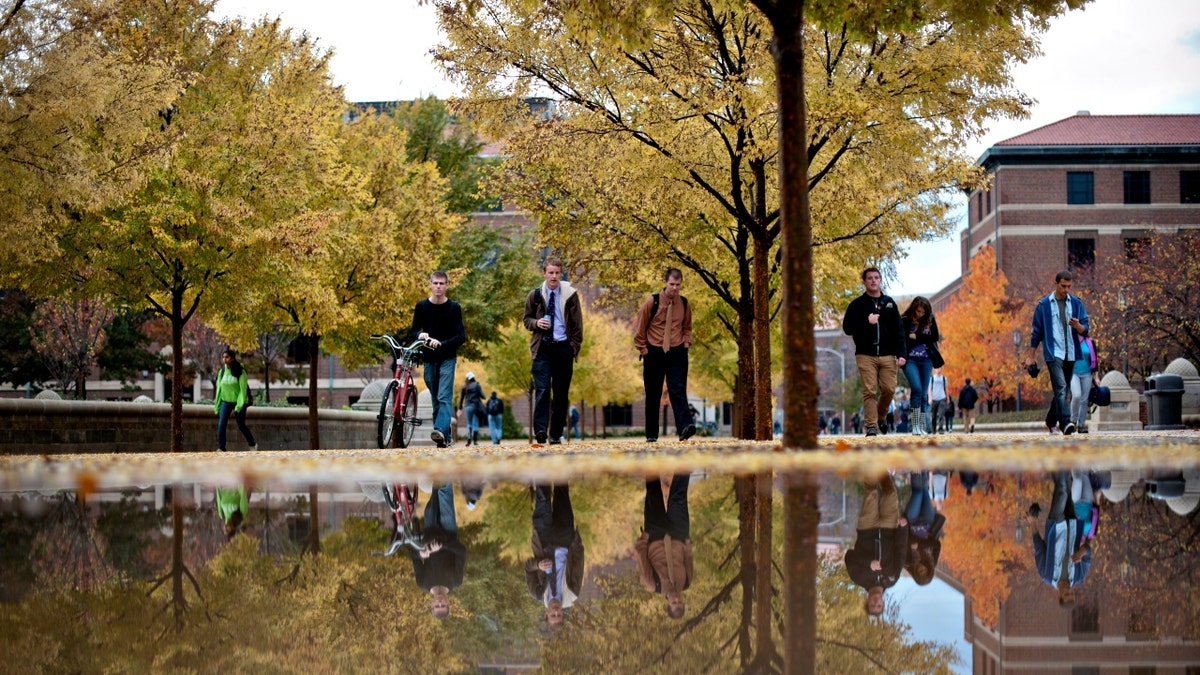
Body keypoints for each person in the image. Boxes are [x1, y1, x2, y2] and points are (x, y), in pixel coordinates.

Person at [523, 258, 584, 446]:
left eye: (557, 272)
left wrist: (572, 348)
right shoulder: (534, 295)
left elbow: (577, 326)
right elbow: (527, 320)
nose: (554, 276)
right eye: (550, 272)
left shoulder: (570, 296)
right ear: (544, 273)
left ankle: (556, 434)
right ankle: (541, 431)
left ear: (561, 273)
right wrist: (536, 323)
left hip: (563, 348)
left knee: (560, 394)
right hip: (542, 349)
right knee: (542, 390)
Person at [841, 267, 907, 436]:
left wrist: (902, 354)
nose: (873, 280)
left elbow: (899, 331)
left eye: (876, 277)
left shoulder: (890, 304)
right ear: (864, 282)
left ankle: (881, 416)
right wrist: (866, 321)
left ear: (880, 280)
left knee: (889, 389)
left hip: (888, 354)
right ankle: (871, 426)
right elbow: (847, 328)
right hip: (865, 354)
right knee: (869, 390)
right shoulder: (857, 305)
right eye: (869, 278)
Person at [633, 268, 696, 442]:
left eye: (678, 285)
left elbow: (687, 326)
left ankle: (685, 427)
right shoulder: (651, 302)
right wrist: (644, 350)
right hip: (654, 351)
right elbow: (640, 328)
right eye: (672, 284)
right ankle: (652, 435)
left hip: (677, 352)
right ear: (665, 282)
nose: (675, 288)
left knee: (678, 390)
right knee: (653, 394)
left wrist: (686, 343)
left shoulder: (684, 303)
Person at [1025, 270, 1090, 435]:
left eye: (1069, 286)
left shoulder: (1076, 303)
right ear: (1055, 283)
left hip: (1071, 352)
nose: (1066, 289)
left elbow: (1085, 330)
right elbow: (1036, 333)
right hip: (1053, 353)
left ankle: (1050, 420)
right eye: (1063, 286)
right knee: (1061, 386)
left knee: (1064, 389)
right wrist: (1030, 357)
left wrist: (1077, 326)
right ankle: (1066, 423)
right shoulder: (1044, 305)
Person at [408, 271, 466, 448]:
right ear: (430, 285)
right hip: (429, 359)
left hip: (447, 357)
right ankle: (444, 437)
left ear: (447, 285)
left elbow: (461, 336)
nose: (439, 286)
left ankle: (439, 429)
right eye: (436, 283)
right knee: (435, 399)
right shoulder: (422, 307)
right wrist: (420, 335)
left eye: (442, 283)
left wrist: (442, 344)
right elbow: (411, 333)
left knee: (443, 395)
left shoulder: (454, 308)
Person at [844, 472, 907, 615]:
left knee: (871, 493)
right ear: (883, 603)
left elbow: (849, 556)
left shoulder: (858, 578)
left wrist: (868, 563)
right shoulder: (892, 578)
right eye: (879, 606)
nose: (876, 603)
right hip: (889, 528)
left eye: (872, 606)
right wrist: (903, 529)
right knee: (890, 494)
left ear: (867, 602)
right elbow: (900, 551)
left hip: (867, 528)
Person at [633, 474, 693, 619]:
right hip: (678, 534)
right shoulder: (687, 582)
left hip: (655, 534)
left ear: (668, 604)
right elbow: (688, 559)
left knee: (653, 492)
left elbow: (642, 559)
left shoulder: (653, 585)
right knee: (678, 497)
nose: (677, 599)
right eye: (680, 602)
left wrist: (645, 538)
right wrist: (687, 541)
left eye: (674, 603)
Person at [525, 483, 584, 627]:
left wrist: (538, 564)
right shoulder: (573, 593)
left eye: (553, 615)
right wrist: (575, 542)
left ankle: (542, 463)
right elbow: (578, 561)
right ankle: (559, 462)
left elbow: (528, 568)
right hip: (565, 538)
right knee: (562, 490)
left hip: (543, 540)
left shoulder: (537, 593)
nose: (556, 611)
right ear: (563, 615)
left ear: (546, 614)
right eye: (558, 615)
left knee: (543, 499)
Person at [1028, 471, 1092, 606]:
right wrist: (1082, 552)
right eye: (1072, 593)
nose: (1069, 590)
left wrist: (1032, 523)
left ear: (1059, 596)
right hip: (1072, 525)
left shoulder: (1047, 575)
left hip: (1056, 527)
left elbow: (1039, 549)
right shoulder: (1079, 576)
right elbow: (1088, 551)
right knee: (1066, 490)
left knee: (1062, 492)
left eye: (1066, 594)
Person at [410, 482, 467, 619]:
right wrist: (442, 545)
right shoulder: (456, 581)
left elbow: (413, 555)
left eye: (437, 606)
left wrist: (421, 553)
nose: (440, 603)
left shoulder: (422, 583)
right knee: (445, 493)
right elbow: (462, 552)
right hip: (448, 531)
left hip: (429, 530)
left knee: (435, 490)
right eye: (443, 605)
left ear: (432, 604)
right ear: (449, 603)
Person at [901, 296, 939, 436]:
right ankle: (915, 426)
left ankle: (921, 427)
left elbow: (934, 337)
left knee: (923, 393)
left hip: (926, 360)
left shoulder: (930, 319)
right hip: (910, 360)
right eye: (918, 311)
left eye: (923, 312)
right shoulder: (905, 320)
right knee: (916, 389)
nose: (920, 314)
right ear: (913, 308)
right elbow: (903, 339)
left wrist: (916, 336)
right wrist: (920, 338)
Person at [903, 472, 946, 586]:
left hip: (912, 522)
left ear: (915, 573)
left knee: (918, 493)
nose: (922, 568)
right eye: (925, 570)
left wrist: (918, 543)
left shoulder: (908, 561)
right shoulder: (933, 561)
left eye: (920, 571)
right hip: (928, 522)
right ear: (929, 570)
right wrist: (920, 545)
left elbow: (906, 541)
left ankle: (916, 470)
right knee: (925, 491)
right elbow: (937, 545)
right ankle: (924, 469)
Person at [214, 349, 256, 452]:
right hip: (226, 400)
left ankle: (252, 444)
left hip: (239, 401)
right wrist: (217, 405)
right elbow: (219, 389)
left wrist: (239, 405)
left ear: (232, 358)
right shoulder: (222, 372)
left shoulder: (240, 371)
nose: (224, 359)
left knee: (241, 425)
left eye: (227, 357)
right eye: (223, 357)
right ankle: (221, 448)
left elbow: (243, 390)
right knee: (221, 424)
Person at [1070, 335, 1099, 433]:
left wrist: (1096, 377)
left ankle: (1081, 425)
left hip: (1087, 374)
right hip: (1074, 373)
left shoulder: (1090, 341)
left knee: (1084, 400)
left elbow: (1095, 361)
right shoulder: (1071, 340)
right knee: (1076, 396)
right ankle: (1073, 421)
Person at [457, 372, 485, 447]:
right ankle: (475, 440)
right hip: (476, 406)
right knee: (475, 422)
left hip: (468, 406)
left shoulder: (464, 386)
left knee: (469, 423)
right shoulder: (477, 385)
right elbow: (483, 396)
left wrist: (459, 408)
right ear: (473, 377)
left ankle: (469, 437)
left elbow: (461, 398)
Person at [929, 368, 948, 434]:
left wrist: (947, 398)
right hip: (934, 399)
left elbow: (946, 389)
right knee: (933, 416)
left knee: (941, 415)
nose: (938, 370)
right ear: (935, 370)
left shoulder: (944, 378)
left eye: (939, 369)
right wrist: (930, 398)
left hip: (942, 398)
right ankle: (934, 429)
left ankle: (940, 429)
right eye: (937, 369)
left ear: (941, 370)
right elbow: (929, 389)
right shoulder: (932, 378)